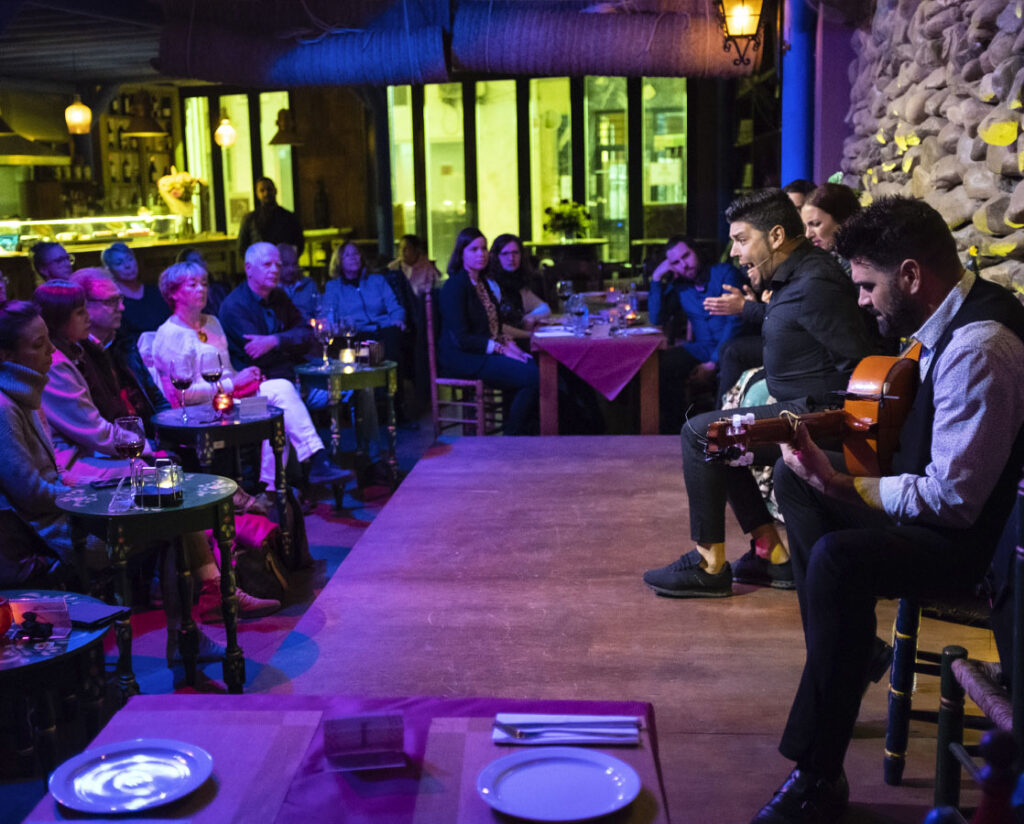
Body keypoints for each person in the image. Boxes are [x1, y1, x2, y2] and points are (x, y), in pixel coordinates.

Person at [751, 196, 1024, 824]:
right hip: (950, 510)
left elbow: (954, 501)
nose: (863, 300)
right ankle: (845, 644)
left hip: (981, 547)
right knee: (798, 491)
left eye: (869, 286)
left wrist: (845, 487)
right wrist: (827, 474)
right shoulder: (950, 318)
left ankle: (818, 776)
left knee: (839, 562)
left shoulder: (979, 347)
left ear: (909, 275)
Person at [642, 189, 875, 597]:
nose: (735, 252)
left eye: (741, 239)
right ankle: (771, 554)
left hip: (817, 416)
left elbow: (858, 361)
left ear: (777, 236)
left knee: (702, 435)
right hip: (800, 410)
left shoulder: (816, 281)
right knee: (723, 440)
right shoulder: (795, 278)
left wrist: (831, 423)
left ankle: (709, 564)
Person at [152, 261, 348, 488]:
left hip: (230, 404)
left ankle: (311, 463)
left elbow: (226, 370)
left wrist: (243, 374)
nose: (201, 289)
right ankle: (277, 485)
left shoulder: (212, 322)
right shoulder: (170, 334)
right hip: (203, 414)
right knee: (279, 405)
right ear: (174, 293)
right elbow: (183, 395)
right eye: (192, 285)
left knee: (280, 394)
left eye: (204, 284)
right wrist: (233, 383)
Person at [438, 227, 539, 436]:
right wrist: (502, 350)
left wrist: (513, 349)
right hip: (464, 357)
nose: (481, 254)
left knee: (530, 364)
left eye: (484, 248)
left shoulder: (482, 283)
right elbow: (461, 338)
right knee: (532, 376)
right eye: (473, 249)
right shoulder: (455, 286)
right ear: (461, 253)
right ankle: (512, 437)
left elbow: (494, 326)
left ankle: (523, 433)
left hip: (483, 351)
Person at [647, 235, 747, 430]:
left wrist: (712, 363)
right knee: (662, 366)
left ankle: (719, 432)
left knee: (727, 365)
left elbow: (736, 322)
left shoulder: (724, 273)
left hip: (731, 346)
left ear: (696, 251)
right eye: (675, 262)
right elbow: (657, 318)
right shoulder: (680, 286)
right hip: (702, 347)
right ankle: (680, 429)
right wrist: (657, 279)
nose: (684, 265)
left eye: (686, 256)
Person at [71, 268, 170, 425]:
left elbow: (157, 400)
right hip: (115, 445)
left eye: (120, 299)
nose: (122, 307)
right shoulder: (77, 356)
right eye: (111, 302)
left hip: (149, 438)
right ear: (84, 307)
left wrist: (171, 434)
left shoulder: (124, 344)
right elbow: (94, 425)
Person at [101, 242, 170, 348]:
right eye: (119, 263)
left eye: (130, 259)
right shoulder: (113, 301)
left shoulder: (156, 292)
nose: (128, 266)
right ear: (109, 270)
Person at [486, 233, 550, 341]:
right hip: (499, 344)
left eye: (515, 253)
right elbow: (495, 326)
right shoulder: (490, 284)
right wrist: (529, 335)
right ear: (496, 257)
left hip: (518, 340)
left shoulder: (518, 282)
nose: (511, 258)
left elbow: (544, 308)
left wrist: (531, 317)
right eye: (505, 253)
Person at [237, 177, 304, 256]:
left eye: (269, 189)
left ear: (275, 191)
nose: (266, 193)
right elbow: (242, 247)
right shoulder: (249, 219)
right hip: (261, 265)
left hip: (281, 264)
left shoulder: (289, 217)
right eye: (262, 190)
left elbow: (299, 243)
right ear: (257, 194)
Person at [800, 183, 861, 269]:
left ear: (844, 220)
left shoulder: (864, 264)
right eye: (805, 227)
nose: (808, 235)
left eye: (816, 224)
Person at [176, 246, 230, 317]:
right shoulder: (185, 298)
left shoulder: (220, 289)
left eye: (202, 259)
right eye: (195, 261)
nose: (202, 263)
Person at [278, 242, 320, 323]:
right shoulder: (269, 289)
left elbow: (320, 313)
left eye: (294, 264)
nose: (291, 269)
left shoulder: (309, 285)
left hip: (307, 332)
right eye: (286, 264)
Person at [389, 234, 441, 298]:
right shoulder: (394, 268)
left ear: (416, 250)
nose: (402, 251)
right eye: (400, 248)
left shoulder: (429, 270)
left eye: (407, 248)